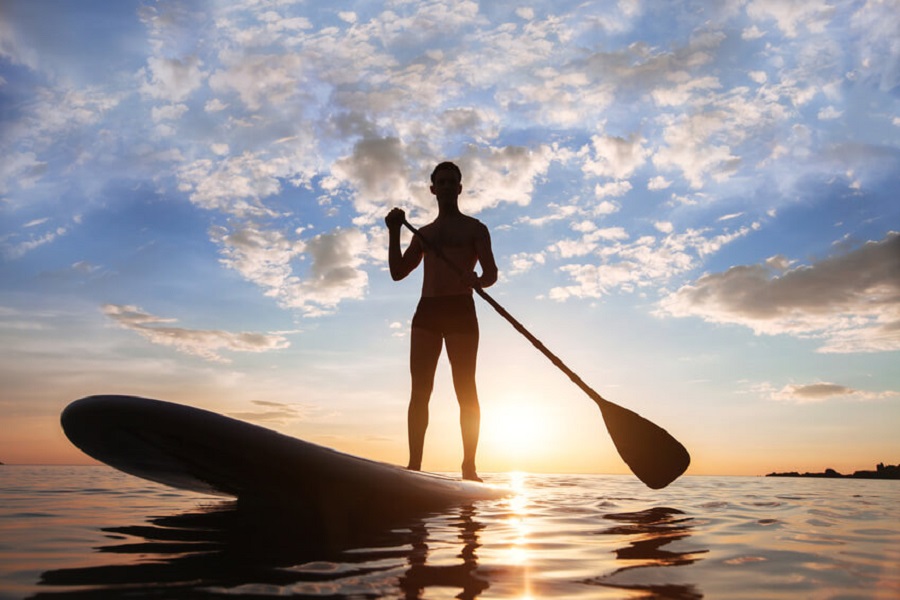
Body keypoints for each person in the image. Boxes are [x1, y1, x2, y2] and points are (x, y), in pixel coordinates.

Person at [385, 162, 498, 482]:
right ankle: (414, 467)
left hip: (461, 309)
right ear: (433, 189)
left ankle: (469, 468)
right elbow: (397, 272)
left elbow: (491, 274)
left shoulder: (476, 229)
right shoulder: (425, 234)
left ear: (460, 189)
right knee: (420, 390)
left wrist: (477, 279)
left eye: (453, 182)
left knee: (466, 389)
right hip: (428, 312)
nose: (447, 186)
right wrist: (394, 232)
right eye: (442, 182)